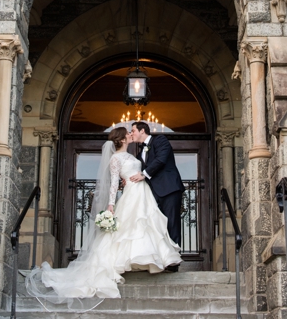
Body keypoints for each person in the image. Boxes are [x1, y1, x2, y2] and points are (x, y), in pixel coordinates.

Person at [24, 126, 181, 306]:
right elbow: (114, 182)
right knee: (131, 227)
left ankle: (151, 260)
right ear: (122, 140)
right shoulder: (115, 158)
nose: (131, 134)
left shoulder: (136, 155)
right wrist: (111, 205)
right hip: (132, 194)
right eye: (128, 133)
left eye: (133, 131)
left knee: (148, 224)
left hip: (144, 193)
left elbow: (152, 164)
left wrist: (140, 174)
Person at [129, 120, 185, 271]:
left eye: (133, 130)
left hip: (169, 188)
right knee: (156, 225)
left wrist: (144, 174)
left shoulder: (160, 140)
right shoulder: (140, 151)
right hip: (153, 192)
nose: (131, 133)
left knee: (171, 223)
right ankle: (160, 259)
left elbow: (161, 159)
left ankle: (173, 263)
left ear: (142, 131)